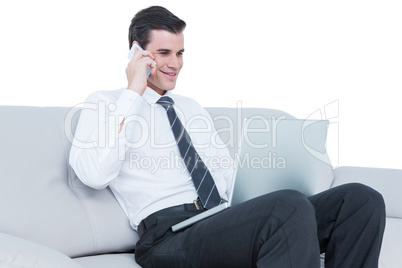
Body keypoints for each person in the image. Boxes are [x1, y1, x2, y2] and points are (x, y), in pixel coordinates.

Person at [69, 6, 386, 268]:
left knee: (360, 200)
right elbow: (95, 174)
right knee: (287, 207)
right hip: (167, 238)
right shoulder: (106, 103)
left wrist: (263, 187)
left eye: (180, 52)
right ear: (137, 54)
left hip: (223, 219)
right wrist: (133, 93)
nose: (176, 64)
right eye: (164, 53)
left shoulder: (190, 107)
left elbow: (224, 174)